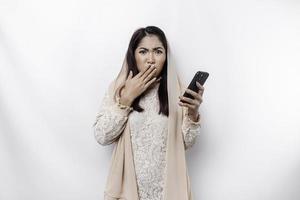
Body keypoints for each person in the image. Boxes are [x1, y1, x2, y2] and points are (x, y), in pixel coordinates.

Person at [93, 26, 205, 200]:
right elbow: (102, 136)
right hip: (128, 191)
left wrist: (192, 114)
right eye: (143, 51)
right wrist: (126, 99)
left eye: (158, 51)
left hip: (168, 191)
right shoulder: (118, 88)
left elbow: (186, 143)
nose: (150, 59)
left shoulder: (178, 92)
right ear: (133, 55)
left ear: (166, 56)